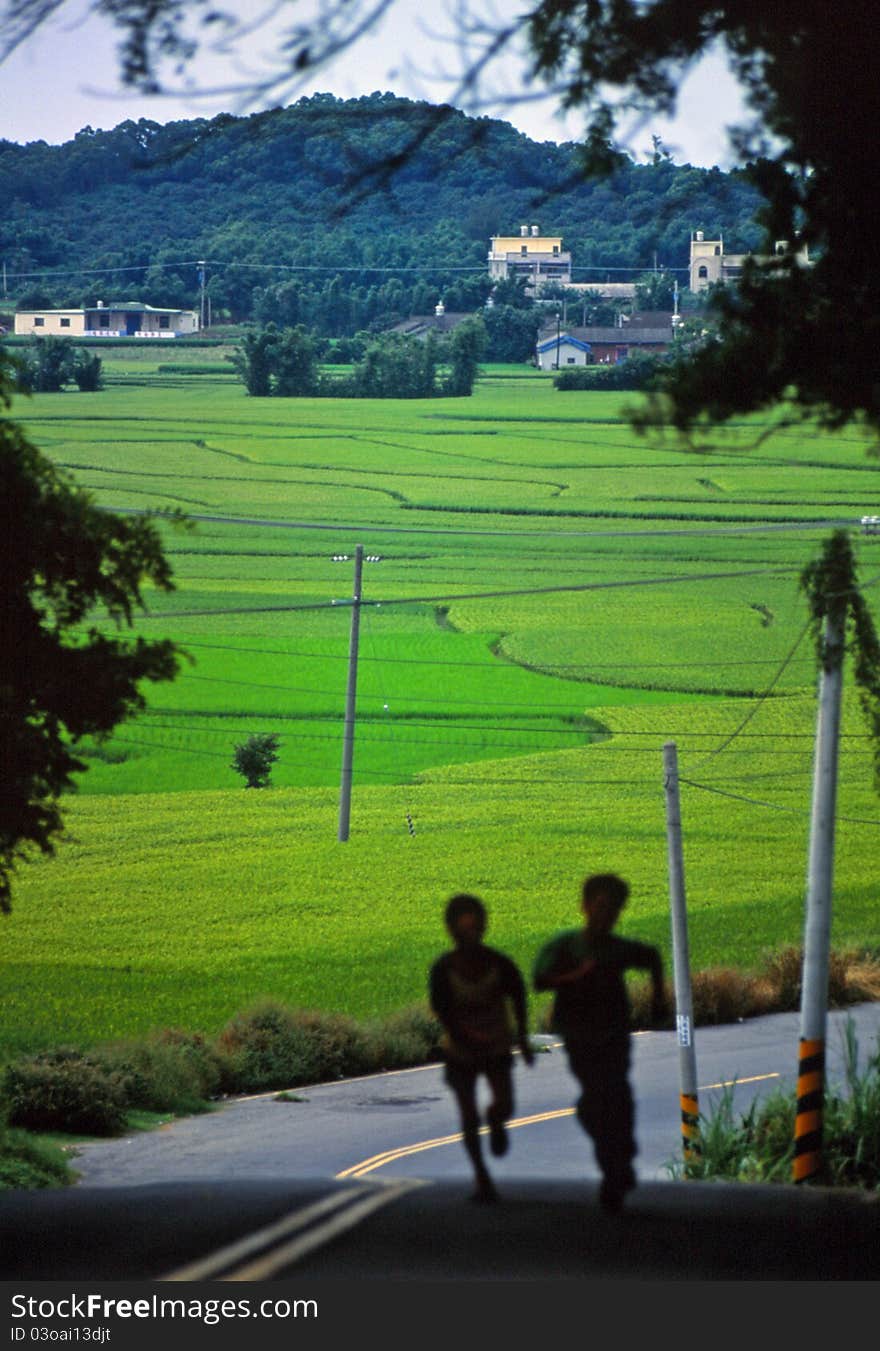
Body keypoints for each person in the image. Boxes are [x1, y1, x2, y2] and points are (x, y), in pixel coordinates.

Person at [533, 872, 667, 1213]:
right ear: (586, 905)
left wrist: (657, 1001)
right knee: (597, 1101)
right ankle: (615, 1163)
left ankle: (617, 1164)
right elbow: (540, 979)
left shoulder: (616, 949)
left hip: (613, 1036)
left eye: (614, 909)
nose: (608, 915)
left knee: (616, 1096)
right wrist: (576, 976)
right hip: (580, 1037)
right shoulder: (568, 946)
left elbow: (651, 956)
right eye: (602, 906)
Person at [429, 892, 535, 1203]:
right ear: (452, 930)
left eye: (475, 928)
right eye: (464, 929)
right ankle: (481, 1175)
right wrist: (465, 1037)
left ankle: (497, 1119)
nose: (470, 935)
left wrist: (524, 1040)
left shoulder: (499, 964)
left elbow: (518, 997)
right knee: (467, 1114)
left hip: (497, 1045)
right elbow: (443, 1012)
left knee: (504, 1105)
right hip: (460, 1050)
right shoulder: (443, 970)